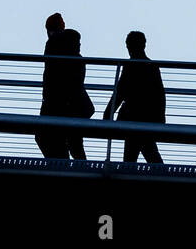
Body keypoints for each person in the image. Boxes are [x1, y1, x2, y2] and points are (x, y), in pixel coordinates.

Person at [103, 30, 166, 164]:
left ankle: (161, 175)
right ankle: (164, 175)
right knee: (146, 150)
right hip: (148, 117)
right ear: (144, 45)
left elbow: (120, 91)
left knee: (134, 153)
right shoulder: (152, 66)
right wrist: (160, 118)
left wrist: (108, 112)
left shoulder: (130, 66)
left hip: (132, 117)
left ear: (128, 46)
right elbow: (160, 95)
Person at [37, 13, 93, 160]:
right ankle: (78, 169)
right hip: (74, 104)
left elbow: (51, 76)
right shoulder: (77, 58)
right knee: (74, 141)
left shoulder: (52, 46)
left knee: (45, 137)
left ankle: (63, 165)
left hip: (58, 103)